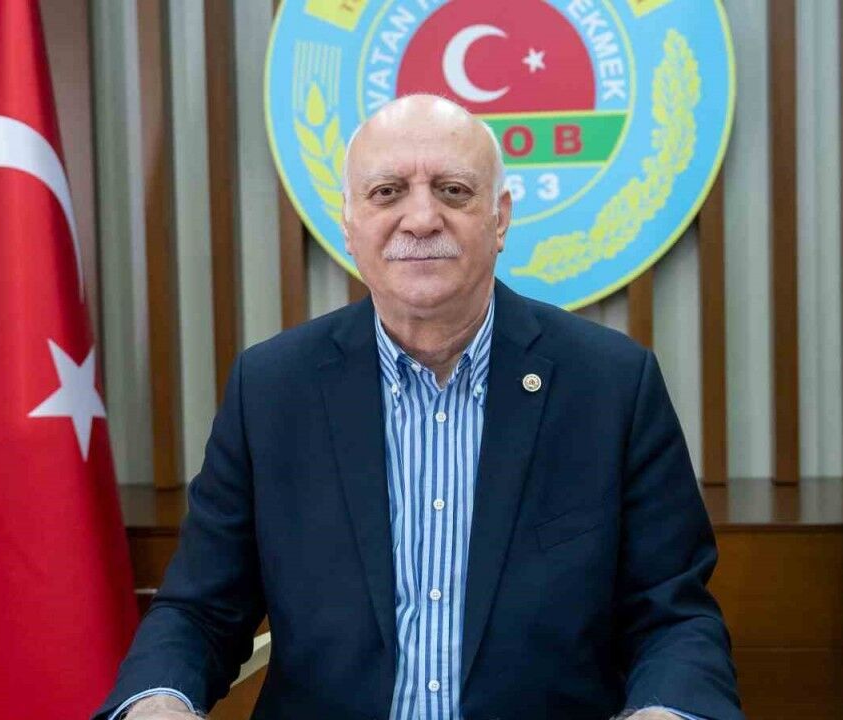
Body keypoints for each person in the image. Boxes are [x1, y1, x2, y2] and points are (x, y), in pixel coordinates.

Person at [96, 94, 743, 720]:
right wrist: (158, 702)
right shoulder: (272, 389)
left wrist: (665, 711)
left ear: (500, 218)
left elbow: (673, 615)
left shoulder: (611, 384)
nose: (422, 219)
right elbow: (200, 610)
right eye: (387, 192)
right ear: (349, 223)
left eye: (454, 191)